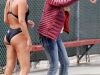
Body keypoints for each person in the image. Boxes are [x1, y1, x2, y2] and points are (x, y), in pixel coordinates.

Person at [38, 0, 78, 75]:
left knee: (65, 63)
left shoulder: (60, 4)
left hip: (55, 36)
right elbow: (64, 2)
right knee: (54, 66)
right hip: (48, 36)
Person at [3, 0, 34, 75]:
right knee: (25, 69)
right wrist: (28, 39)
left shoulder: (9, 1)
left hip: (9, 34)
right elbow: (21, 22)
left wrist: (25, 21)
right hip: (19, 35)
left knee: (9, 67)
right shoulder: (22, 1)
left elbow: (6, 20)